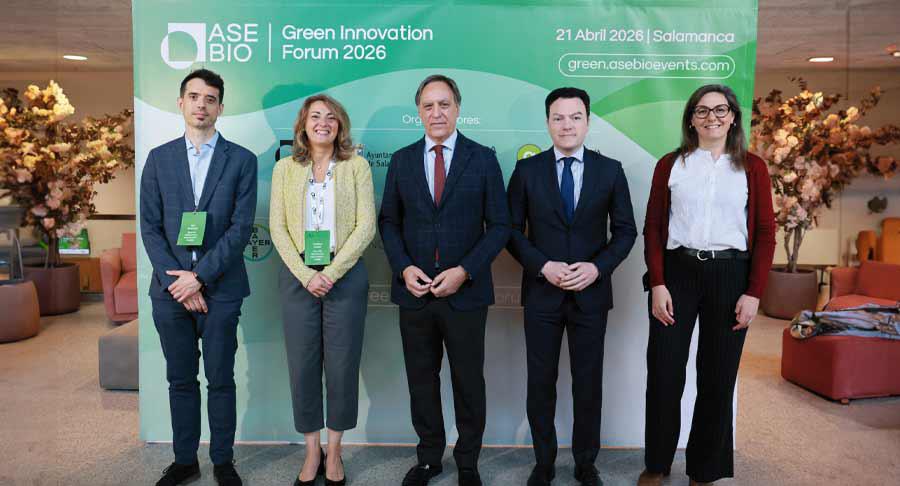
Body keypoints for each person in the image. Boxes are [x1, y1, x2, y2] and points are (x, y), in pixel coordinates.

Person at [638, 84, 775, 486]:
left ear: (733, 116)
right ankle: (658, 464)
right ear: (691, 118)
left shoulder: (753, 167)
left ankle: (704, 468)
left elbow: (766, 233)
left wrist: (754, 292)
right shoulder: (670, 165)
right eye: (702, 110)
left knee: (717, 376)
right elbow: (653, 227)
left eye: (720, 109)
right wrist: (658, 283)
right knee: (664, 372)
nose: (711, 117)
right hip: (678, 274)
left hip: (730, 276)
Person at [378, 74, 510, 486]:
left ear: (457, 108)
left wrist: (464, 271)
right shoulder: (401, 160)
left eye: (444, 104)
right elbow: (389, 221)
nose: (437, 113)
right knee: (422, 379)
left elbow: (501, 225)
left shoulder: (483, 158)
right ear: (418, 111)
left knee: (468, 380)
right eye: (428, 106)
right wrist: (403, 267)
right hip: (415, 292)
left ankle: (467, 460)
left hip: (465, 293)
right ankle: (429, 458)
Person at [507, 87, 637, 486]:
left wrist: (597, 269)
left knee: (588, 382)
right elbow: (510, 232)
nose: (567, 125)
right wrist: (541, 265)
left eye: (575, 117)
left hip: (590, 296)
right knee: (540, 382)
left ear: (587, 121)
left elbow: (626, 232)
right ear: (548, 122)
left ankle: (585, 463)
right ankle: (543, 462)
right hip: (543, 293)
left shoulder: (610, 170)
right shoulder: (527, 171)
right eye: (559, 118)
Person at [140, 68, 257, 486]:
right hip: (169, 291)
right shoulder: (159, 158)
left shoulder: (241, 160)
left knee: (221, 378)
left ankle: (223, 460)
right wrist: (179, 281)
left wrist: (199, 278)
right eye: (194, 96)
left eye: (210, 98)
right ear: (181, 103)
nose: (201, 105)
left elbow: (241, 228)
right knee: (180, 379)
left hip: (222, 288)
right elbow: (150, 227)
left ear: (220, 107)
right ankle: (185, 459)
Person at [270, 94, 375, 486]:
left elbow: (366, 225)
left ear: (340, 125)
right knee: (302, 365)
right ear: (303, 124)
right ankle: (312, 449)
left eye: (331, 117)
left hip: (344, 274)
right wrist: (305, 273)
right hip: (298, 276)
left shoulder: (356, 167)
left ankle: (335, 451)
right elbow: (277, 227)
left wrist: (330, 271)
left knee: (343, 366)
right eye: (315, 116)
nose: (323, 122)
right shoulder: (285, 169)